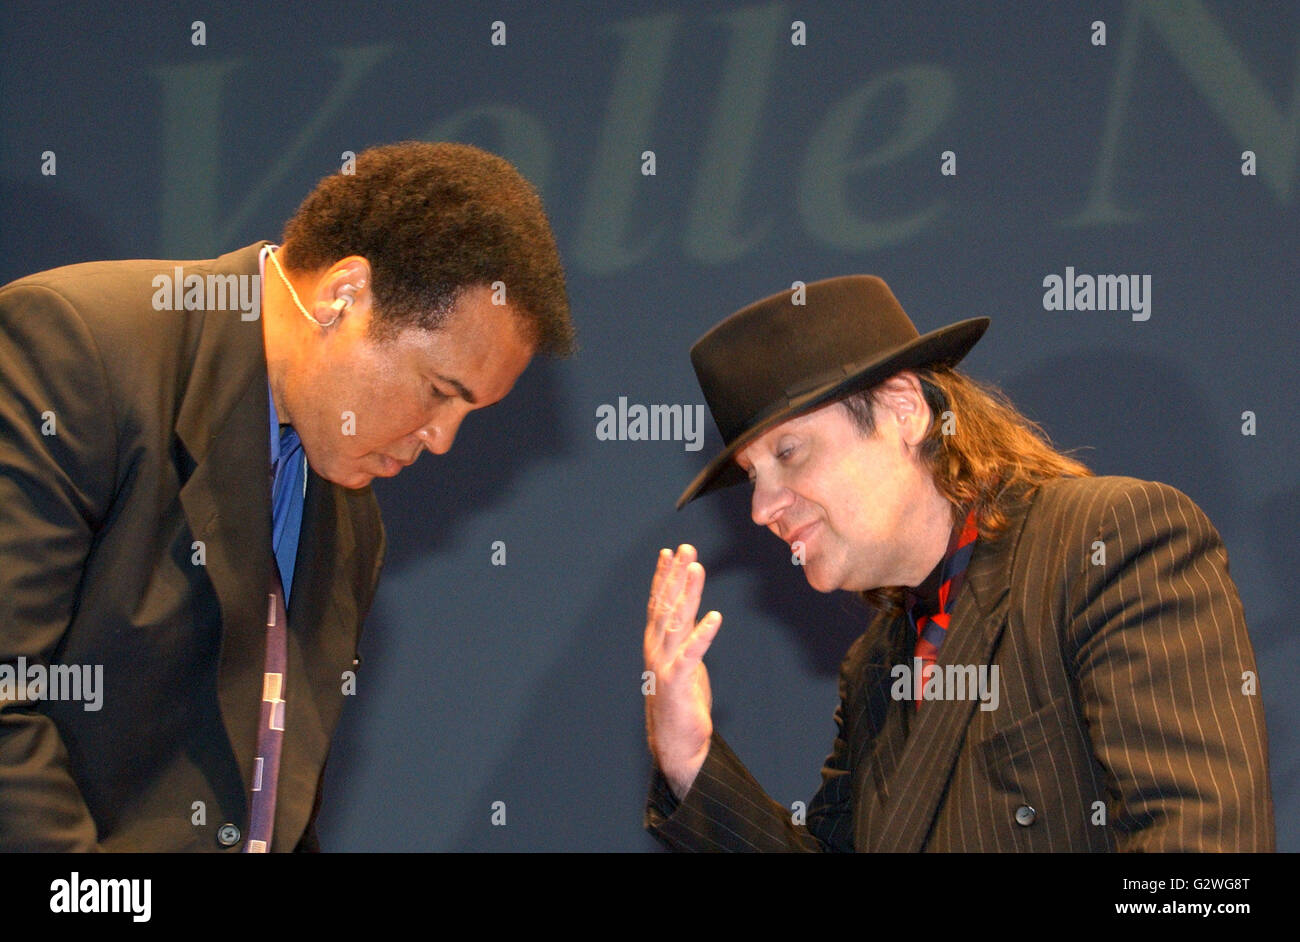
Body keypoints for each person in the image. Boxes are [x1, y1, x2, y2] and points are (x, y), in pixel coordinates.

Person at [0, 141, 574, 851]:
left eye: (469, 412)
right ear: (345, 296)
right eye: (438, 392)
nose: (443, 439)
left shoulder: (352, 512)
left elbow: (272, 795)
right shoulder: (79, 347)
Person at [642, 275, 1273, 852]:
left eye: (789, 452)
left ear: (904, 409)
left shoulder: (1105, 544)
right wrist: (690, 762)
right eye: (753, 476)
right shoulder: (876, 667)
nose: (761, 508)